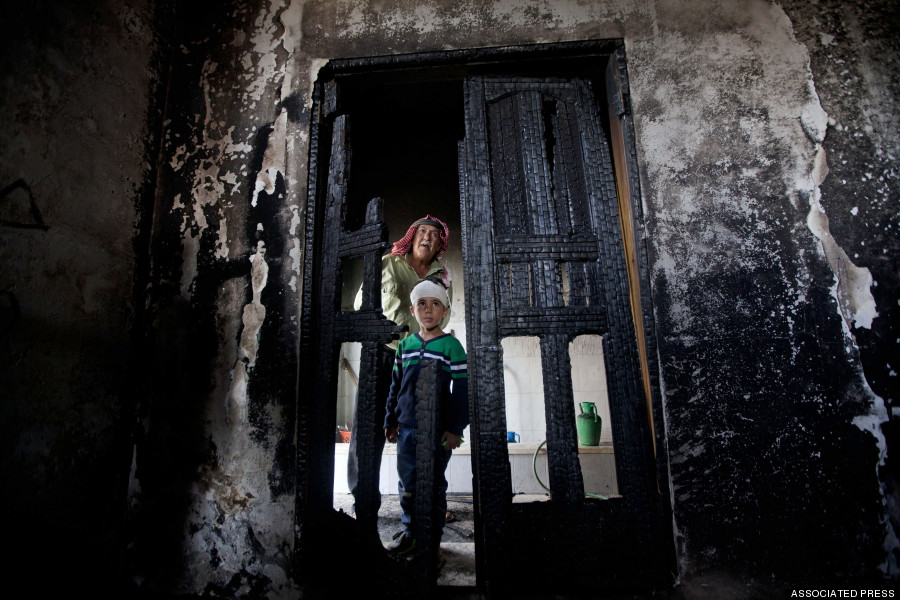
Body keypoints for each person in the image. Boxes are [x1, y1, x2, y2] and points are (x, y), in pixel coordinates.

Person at [348, 216, 453, 521]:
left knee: (423, 429)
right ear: (412, 235)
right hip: (382, 354)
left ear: (439, 246)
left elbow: (445, 316)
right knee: (369, 428)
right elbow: (360, 304)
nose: (427, 238)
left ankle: (427, 500)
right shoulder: (388, 265)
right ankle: (363, 502)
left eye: (434, 235)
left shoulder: (441, 278)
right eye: (422, 231)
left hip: (419, 359)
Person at [383, 278, 468, 557]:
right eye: (422, 303)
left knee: (432, 485)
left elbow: (463, 392)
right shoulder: (404, 346)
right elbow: (395, 387)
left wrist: (455, 429)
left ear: (444, 311)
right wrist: (390, 420)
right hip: (406, 429)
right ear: (412, 310)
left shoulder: (452, 347)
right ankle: (411, 535)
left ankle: (432, 541)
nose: (428, 309)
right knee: (407, 485)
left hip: (438, 431)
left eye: (435, 304)